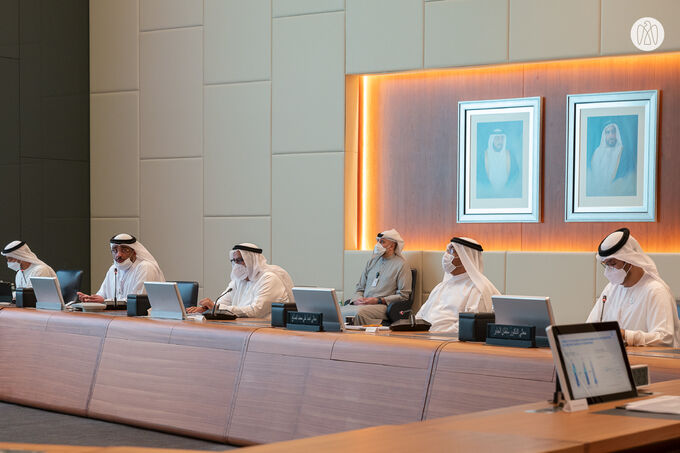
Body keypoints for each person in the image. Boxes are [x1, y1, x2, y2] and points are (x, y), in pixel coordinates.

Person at [586, 228, 680, 347]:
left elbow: (664, 338)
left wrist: (626, 335)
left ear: (629, 260)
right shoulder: (611, 289)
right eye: (607, 265)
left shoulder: (655, 291)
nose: (610, 271)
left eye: (613, 263)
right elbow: (590, 327)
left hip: (649, 363)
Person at [416, 237, 500, 334]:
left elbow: (468, 326)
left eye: (452, 251)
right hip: (424, 338)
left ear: (465, 257)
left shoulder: (478, 288)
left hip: (447, 342)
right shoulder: (442, 286)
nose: (446, 255)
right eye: (447, 250)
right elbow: (420, 316)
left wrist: (434, 334)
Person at [187, 243, 294, 318]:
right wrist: (206, 308)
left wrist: (216, 307)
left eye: (240, 260)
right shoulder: (238, 281)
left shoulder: (269, 278)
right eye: (234, 261)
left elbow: (256, 311)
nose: (236, 265)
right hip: (242, 328)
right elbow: (222, 302)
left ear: (251, 260)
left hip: (265, 332)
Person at [341, 229, 412, 325]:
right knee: (337, 311)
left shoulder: (401, 265)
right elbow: (359, 289)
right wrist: (357, 300)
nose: (378, 244)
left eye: (382, 242)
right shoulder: (371, 262)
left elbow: (403, 296)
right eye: (378, 241)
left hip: (382, 306)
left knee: (359, 314)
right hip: (362, 305)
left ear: (392, 246)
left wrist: (378, 300)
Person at [77, 233, 165, 303]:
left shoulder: (145, 267)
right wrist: (91, 299)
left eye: (124, 250)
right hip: (118, 317)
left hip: (143, 320)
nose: (118, 255)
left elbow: (138, 302)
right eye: (115, 250)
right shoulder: (113, 269)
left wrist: (105, 302)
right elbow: (102, 295)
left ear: (134, 252)